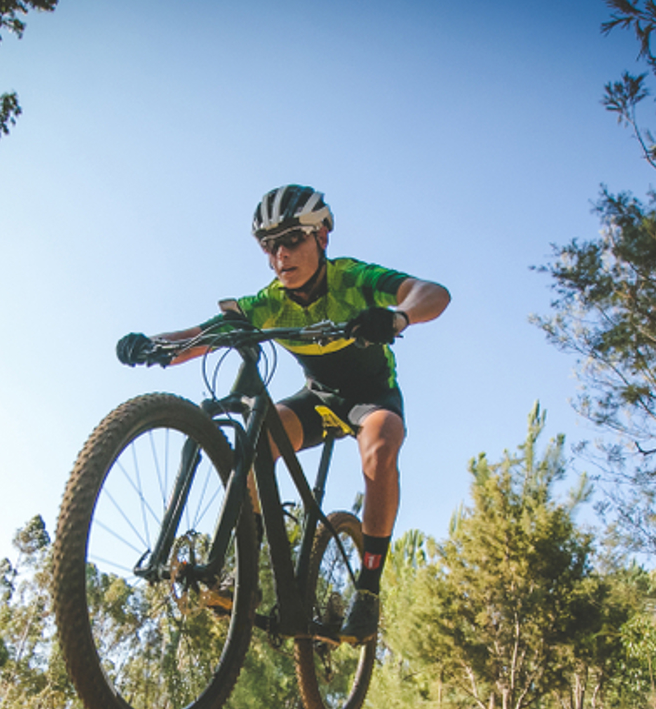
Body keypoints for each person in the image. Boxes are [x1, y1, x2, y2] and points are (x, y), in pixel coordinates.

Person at [116, 184, 450, 644]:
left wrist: (397, 318)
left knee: (380, 446)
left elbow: (431, 292)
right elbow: (206, 334)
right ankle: (245, 574)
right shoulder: (269, 301)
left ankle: (368, 591)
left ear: (322, 238)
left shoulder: (352, 278)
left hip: (371, 399)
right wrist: (156, 346)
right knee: (258, 440)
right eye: (269, 247)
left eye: (291, 240)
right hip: (318, 398)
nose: (279, 257)